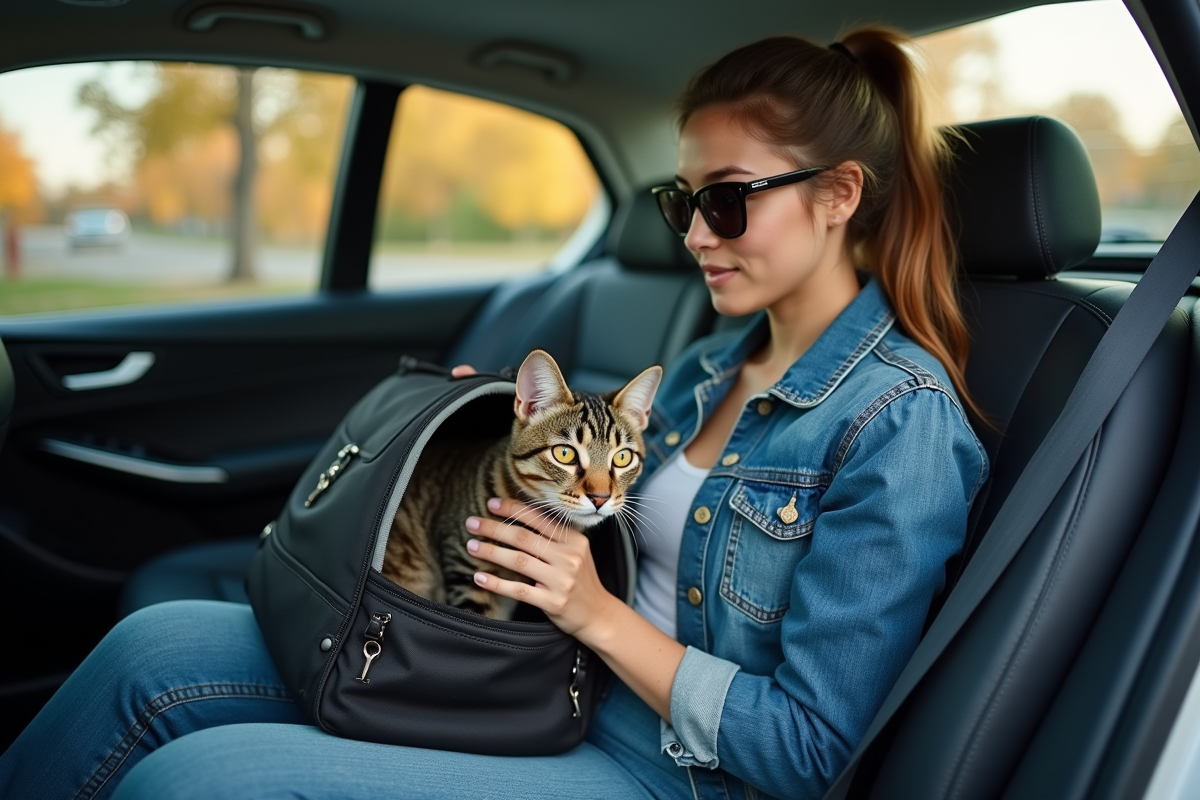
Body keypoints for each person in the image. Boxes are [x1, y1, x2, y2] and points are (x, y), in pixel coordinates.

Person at [0, 28, 987, 800]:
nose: (694, 234)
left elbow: (810, 750)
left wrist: (591, 614)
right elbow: (575, 500)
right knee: (152, 646)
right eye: (681, 202)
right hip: (543, 677)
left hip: (675, 768)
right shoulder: (702, 366)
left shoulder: (898, 423)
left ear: (838, 195)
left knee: (191, 780)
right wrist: (474, 425)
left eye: (725, 203)